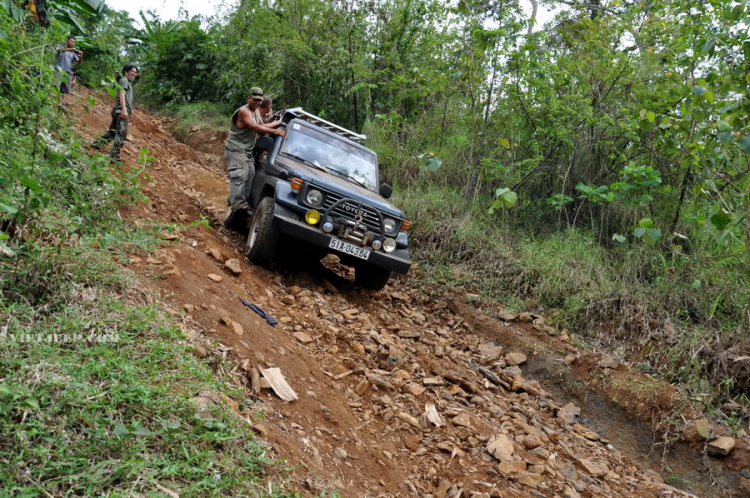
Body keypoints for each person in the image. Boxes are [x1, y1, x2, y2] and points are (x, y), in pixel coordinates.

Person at [223, 87, 285, 226]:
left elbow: (263, 126)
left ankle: (242, 205)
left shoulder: (256, 111)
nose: (257, 102)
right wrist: (275, 132)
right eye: (255, 99)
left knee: (250, 174)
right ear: (248, 98)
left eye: (259, 100)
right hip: (236, 149)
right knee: (240, 174)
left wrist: (278, 123)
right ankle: (239, 205)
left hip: (247, 151)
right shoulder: (244, 111)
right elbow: (256, 128)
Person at [93, 65, 138, 162]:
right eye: (133, 71)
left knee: (113, 132)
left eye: (136, 72)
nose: (135, 74)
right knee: (121, 134)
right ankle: (114, 155)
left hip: (118, 110)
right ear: (126, 72)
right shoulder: (124, 81)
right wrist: (124, 110)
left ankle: (97, 144)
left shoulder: (126, 82)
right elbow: (121, 94)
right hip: (121, 111)